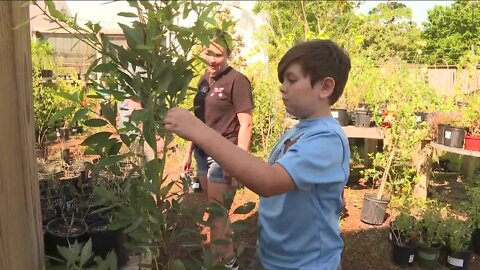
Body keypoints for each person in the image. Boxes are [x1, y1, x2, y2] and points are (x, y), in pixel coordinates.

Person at [166, 39, 351, 269]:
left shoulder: (327, 139)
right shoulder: (299, 130)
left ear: (325, 87)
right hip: (273, 257)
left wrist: (199, 130)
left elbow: (268, 181)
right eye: (283, 81)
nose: (283, 87)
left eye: (292, 80)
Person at [181, 30, 253, 268]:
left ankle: (229, 262)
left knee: (218, 212)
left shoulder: (237, 80)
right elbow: (198, 120)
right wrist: (189, 151)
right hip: (203, 154)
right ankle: (217, 258)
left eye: (218, 54)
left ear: (228, 54)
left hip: (224, 154)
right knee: (214, 210)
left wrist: (239, 161)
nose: (212, 59)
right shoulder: (203, 80)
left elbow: (246, 123)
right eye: (208, 52)